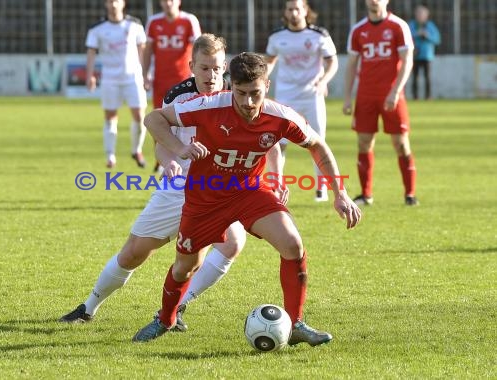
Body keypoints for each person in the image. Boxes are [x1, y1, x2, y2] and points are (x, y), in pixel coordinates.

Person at [132, 52, 362, 346]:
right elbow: (154, 119)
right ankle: (165, 319)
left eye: (255, 94)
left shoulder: (280, 116)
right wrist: (179, 148)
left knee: (292, 244)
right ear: (231, 86)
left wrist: (340, 193)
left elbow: (317, 145)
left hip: (250, 191)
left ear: (267, 85)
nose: (248, 102)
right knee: (184, 267)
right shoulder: (207, 105)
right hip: (206, 196)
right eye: (241, 93)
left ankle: (295, 323)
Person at [59, 35, 286, 329]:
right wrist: (170, 163)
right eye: (204, 68)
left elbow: (271, 144)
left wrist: (276, 179)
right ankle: (88, 307)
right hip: (178, 188)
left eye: (217, 69)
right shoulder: (178, 98)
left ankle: (177, 308)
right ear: (192, 66)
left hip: (220, 191)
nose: (211, 75)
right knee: (133, 253)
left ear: (225, 67)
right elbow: (159, 141)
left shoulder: (240, 95)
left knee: (232, 243)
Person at [342, 0, 418, 206]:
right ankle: (366, 195)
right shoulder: (358, 30)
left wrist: (395, 91)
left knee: (401, 144)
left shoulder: (398, 26)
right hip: (366, 96)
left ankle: (410, 194)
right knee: (364, 142)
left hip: (391, 96)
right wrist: (348, 96)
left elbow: (407, 61)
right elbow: (351, 65)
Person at [265, 0, 339, 202]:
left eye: (297, 8)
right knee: (279, 143)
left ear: (305, 10)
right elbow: (270, 61)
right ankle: (277, 186)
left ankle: (321, 189)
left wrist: (324, 81)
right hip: (286, 96)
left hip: (312, 96)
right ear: (286, 12)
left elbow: (332, 61)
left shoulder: (319, 35)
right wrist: (262, 79)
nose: (294, 12)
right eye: (290, 9)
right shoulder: (277, 36)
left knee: (317, 141)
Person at [85, 0, 148, 169]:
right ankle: (110, 155)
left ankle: (137, 150)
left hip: (133, 78)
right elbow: (91, 52)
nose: (113, 5)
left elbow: (142, 50)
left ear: (123, 3)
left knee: (140, 116)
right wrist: (90, 75)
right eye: (110, 1)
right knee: (110, 117)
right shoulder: (97, 29)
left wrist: (146, 74)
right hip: (110, 79)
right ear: (105, 4)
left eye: (116, 1)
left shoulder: (134, 25)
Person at [143, 0, 202, 172]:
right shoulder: (154, 21)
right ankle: (163, 160)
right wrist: (145, 74)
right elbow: (148, 50)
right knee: (158, 120)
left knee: (186, 122)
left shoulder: (189, 20)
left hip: (184, 81)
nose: (168, 3)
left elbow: (199, 48)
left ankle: (190, 159)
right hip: (160, 80)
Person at [409, 4, 440, 100]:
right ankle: (415, 97)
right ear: (415, 14)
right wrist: (416, 34)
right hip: (414, 55)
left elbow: (437, 39)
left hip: (427, 56)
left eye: (422, 13)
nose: (420, 15)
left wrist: (427, 36)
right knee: (415, 78)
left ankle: (428, 96)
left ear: (427, 15)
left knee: (427, 78)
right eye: (418, 13)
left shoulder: (430, 26)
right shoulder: (411, 25)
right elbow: (405, 37)